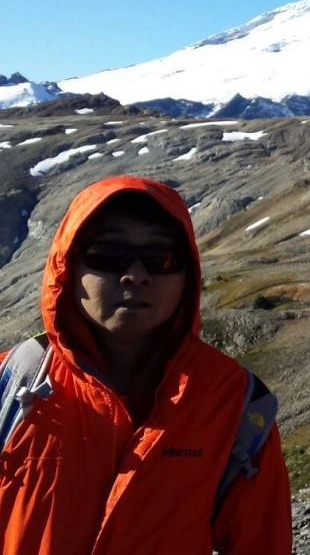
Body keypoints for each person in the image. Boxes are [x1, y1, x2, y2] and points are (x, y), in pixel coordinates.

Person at [0, 176, 292, 554]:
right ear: (67, 266)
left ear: (188, 276)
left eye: (162, 259)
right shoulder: (11, 382)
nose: (136, 275)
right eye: (108, 255)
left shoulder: (237, 406)